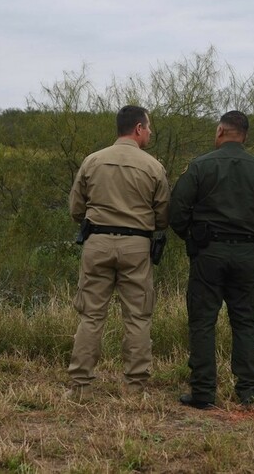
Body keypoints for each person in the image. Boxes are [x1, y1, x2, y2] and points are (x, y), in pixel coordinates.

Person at [169, 110, 254, 409]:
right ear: (245, 136)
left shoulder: (200, 166)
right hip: (246, 254)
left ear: (220, 131)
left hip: (208, 252)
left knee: (203, 321)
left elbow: (177, 210)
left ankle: (203, 392)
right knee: (245, 322)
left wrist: (193, 239)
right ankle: (248, 392)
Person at [65, 105, 170, 402]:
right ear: (138, 128)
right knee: (138, 317)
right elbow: (163, 217)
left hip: (97, 242)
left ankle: (81, 387)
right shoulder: (153, 167)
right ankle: (135, 389)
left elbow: (76, 209)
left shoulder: (92, 161)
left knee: (91, 315)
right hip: (136, 246)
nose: (150, 132)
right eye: (148, 127)